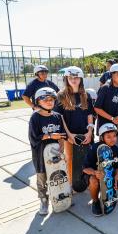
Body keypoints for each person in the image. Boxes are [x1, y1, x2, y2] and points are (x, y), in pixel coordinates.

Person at [28, 87, 67, 215]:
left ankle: (61, 195)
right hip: (40, 154)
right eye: (45, 100)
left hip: (56, 152)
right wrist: (50, 136)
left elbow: (61, 134)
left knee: (58, 175)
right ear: (38, 101)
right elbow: (33, 138)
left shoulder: (57, 116)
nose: (49, 102)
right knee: (42, 178)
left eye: (52, 99)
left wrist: (61, 145)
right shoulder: (35, 118)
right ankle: (44, 200)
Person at [83, 123, 118, 216]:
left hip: (110, 174)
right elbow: (85, 168)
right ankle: (95, 201)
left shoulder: (116, 149)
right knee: (93, 181)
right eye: (108, 137)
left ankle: (111, 193)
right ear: (102, 137)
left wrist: (117, 177)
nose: (113, 139)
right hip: (97, 175)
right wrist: (94, 172)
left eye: (114, 136)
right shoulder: (94, 148)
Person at [55, 66, 94, 184]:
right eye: (70, 77)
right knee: (70, 160)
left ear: (81, 79)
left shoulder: (86, 95)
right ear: (66, 78)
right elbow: (60, 118)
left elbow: (90, 115)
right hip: (69, 135)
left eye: (76, 77)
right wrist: (69, 135)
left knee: (86, 159)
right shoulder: (61, 95)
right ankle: (71, 185)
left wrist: (90, 132)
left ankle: (84, 182)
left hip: (85, 134)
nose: (73, 80)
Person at [94, 63, 118, 134]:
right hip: (105, 127)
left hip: (117, 127)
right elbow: (97, 108)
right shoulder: (105, 88)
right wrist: (112, 119)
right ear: (111, 75)